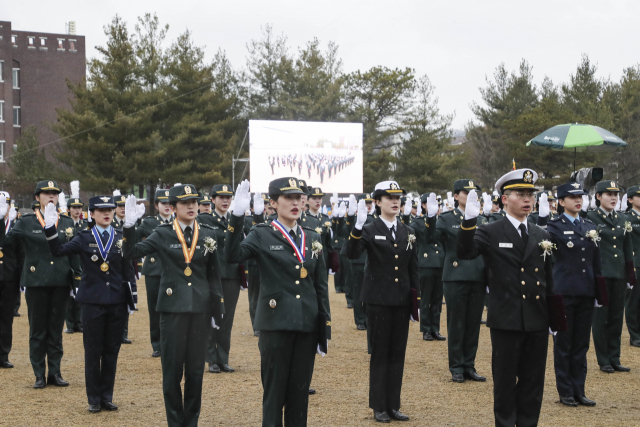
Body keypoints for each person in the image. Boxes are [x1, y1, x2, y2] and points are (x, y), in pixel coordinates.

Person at [457, 169, 563, 427]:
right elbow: (465, 252)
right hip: (506, 318)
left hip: (537, 319)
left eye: (531, 194)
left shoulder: (541, 234)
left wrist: (555, 317)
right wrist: (469, 222)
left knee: (533, 382)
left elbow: (549, 279)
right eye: (521, 194)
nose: (528, 199)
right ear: (505, 199)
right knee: (505, 383)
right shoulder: (491, 230)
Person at [225, 178, 330, 427]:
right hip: (276, 325)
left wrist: (323, 326)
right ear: (273, 203)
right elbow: (232, 256)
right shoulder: (261, 233)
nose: (296, 203)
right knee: (274, 396)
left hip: (306, 326)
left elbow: (320, 285)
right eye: (288, 198)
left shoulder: (312, 236)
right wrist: (237, 216)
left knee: (299, 396)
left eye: (299, 197)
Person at [123, 185, 223, 427]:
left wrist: (216, 308)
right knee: (172, 373)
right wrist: (128, 227)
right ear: (173, 207)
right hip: (172, 311)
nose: (191, 206)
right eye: (184, 203)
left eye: (194, 202)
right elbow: (131, 253)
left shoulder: (208, 233)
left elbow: (213, 274)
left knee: (196, 373)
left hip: (199, 310)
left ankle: (191, 422)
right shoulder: (163, 233)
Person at [44, 195, 137, 413]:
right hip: (92, 302)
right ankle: (94, 398)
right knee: (93, 352)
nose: (107, 213)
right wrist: (50, 229)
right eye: (101, 210)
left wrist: (132, 299)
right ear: (92, 214)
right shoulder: (84, 237)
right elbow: (58, 251)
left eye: (110, 210)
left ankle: (107, 396)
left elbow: (129, 268)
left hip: (116, 301)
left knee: (111, 351)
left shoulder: (120, 237)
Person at [347, 181, 418, 423]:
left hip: (400, 300)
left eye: (398, 197)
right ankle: (379, 405)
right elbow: (352, 253)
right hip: (378, 301)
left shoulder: (407, 231)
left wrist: (414, 301)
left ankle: (393, 404)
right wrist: (357, 227)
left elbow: (412, 268)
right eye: (388, 197)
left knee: (398, 353)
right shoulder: (369, 228)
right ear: (377, 202)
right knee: (380, 353)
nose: (395, 201)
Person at [0, 181, 77, 389]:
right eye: (46, 193)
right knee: (37, 330)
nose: (51, 196)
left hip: (60, 281)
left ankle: (55, 372)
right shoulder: (26, 222)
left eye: (54, 193)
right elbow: (6, 243)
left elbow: (74, 253)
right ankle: (39, 374)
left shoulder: (67, 222)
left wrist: (77, 280)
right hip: (36, 282)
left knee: (55, 329)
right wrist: (0, 220)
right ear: (37, 198)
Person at [537, 183, 602, 408]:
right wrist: (543, 222)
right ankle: (565, 391)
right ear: (561, 202)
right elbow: (544, 248)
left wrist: (599, 291)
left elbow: (596, 262)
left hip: (585, 291)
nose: (578, 200)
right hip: (563, 292)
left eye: (580, 197)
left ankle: (579, 390)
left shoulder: (589, 226)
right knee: (563, 344)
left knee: (581, 345)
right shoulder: (554, 226)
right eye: (572, 197)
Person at [428, 180, 487, 383]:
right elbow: (430, 239)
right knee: (456, 323)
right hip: (455, 276)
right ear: (455, 196)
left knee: (473, 323)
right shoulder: (446, 219)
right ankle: (456, 366)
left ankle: (469, 364)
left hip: (477, 275)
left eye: (474, 193)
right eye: (466, 192)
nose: (472, 196)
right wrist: (429, 218)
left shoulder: (483, 220)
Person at [586, 180, 636, 373]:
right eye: (608, 194)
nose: (614, 197)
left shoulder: (622, 219)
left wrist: (630, 275)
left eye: (616, 194)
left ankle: (615, 357)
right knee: (601, 318)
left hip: (619, 274)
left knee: (616, 317)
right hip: (601, 275)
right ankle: (603, 359)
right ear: (598, 196)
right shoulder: (590, 218)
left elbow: (627, 248)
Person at [198, 184, 241, 374]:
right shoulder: (204, 219)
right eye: (221, 197)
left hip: (231, 275)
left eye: (228, 197)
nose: (225, 201)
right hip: (212, 275)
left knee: (227, 319)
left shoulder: (235, 219)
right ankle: (210, 359)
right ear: (213, 200)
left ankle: (223, 358)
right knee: (211, 316)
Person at [135, 189, 174, 358]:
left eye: (168, 203)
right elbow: (134, 241)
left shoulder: (179, 220)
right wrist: (133, 222)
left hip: (173, 271)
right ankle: (157, 344)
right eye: (162, 203)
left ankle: (172, 341)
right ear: (157, 205)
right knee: (154, 309)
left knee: (173, 308)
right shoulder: (149, 223)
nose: (166, 206)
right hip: (153, 271)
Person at [407, 193, 445, 341]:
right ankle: (426, 329)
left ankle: (435, 328)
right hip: (426, 263)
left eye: (437, 204)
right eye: (431, 203)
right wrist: (430, 218)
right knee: (426, 298)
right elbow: (427, 237)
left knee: (437, 299)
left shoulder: (441, 221)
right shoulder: (418, 222)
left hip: (440, 263)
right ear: (423, 205)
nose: (436, 207)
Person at [0, 193, 22, 369]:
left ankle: (3, 354)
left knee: (6, 317)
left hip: (9, 277)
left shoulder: (15, 225)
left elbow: (20, 252)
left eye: (5, 204)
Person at [64, 184, 86, 334]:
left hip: (82, 263)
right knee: (68, 295)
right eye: (74, 207)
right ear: (69, 209)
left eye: (79, 207)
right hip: (68, 262)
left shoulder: (85, 225)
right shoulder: (66, 224)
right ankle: (70, 324)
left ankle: (79, 322)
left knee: (80, 293)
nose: (77, 210)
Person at [623, 186, 640, 348]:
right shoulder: (626, 218)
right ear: (630, 200)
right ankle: (634, 334)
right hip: (635, 264)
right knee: (633, 301)